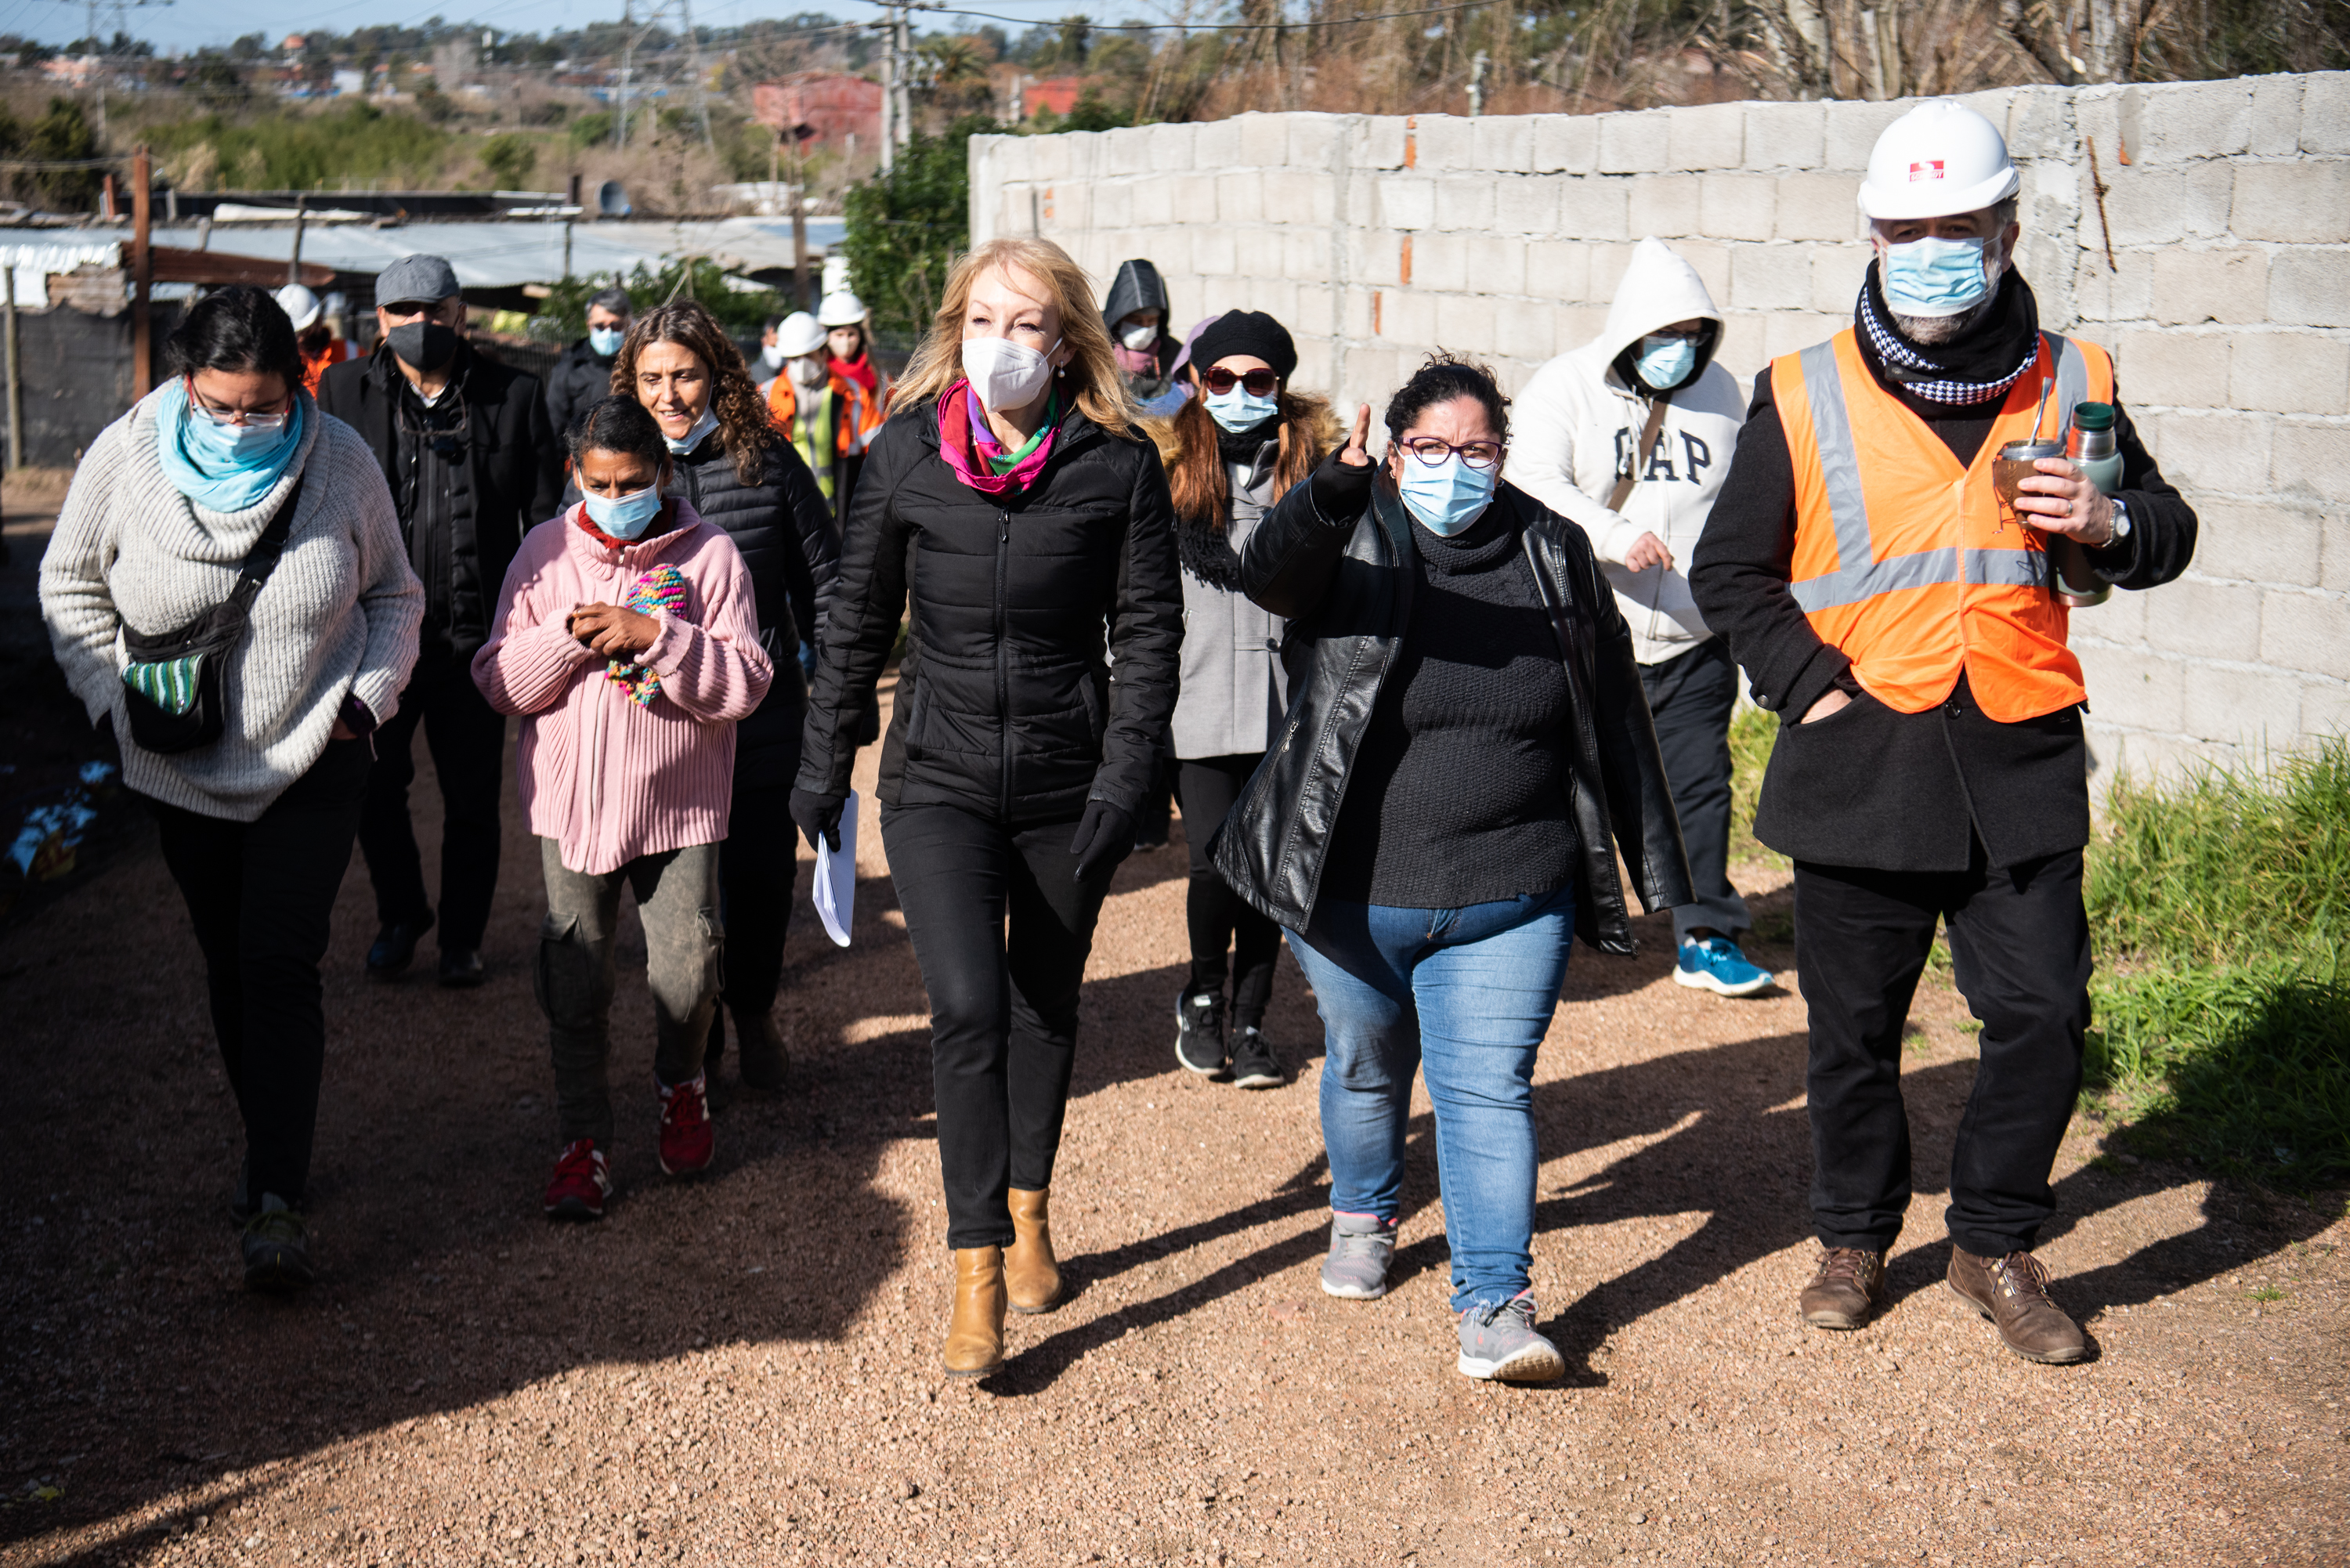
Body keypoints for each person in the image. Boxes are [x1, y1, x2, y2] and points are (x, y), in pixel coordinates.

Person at [1689, 99, 2197, 1364]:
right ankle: (1854, 1237)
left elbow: (2168, 533)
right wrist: (1807, 684)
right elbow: (1730, 570)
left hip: (2018, 756)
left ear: (2008, 230)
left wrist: (2110, 519)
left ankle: (1993, 1243)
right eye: (1904, 226)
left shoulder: (2075, 380)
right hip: (1862, 757)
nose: (1929, 246)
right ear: (1871, 233)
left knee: (2043, 1013)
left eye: (1955, 226)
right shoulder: (1802, 389)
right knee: (1852, 1031)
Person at [1214, 354, 1690, 1384]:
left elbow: (1611, 709)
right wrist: (1334, 488)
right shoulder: (1356, 537)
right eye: (1429, 447)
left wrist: (1666, 869)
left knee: (1488, 1091)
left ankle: (1494, 1305)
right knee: (1365, 1062)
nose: (1454, 467)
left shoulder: (1553, 550)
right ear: (1394, 453)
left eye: (1477, 448)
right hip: (1347, 891)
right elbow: (1270, 579)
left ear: (1503, 454)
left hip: (1510, 891)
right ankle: (1364, 1210)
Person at [791, 237, 1182, 1379]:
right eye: (982, 322)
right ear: (954, 330)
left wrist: (1126, 776)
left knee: (1044, 1003)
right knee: (967, 1005)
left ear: (1069, 344)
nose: (1002, 346)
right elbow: (857, 618)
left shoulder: (1118, 464)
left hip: (1069, 782)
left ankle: (1033, 1202)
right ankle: (977, 1265)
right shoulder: (904, 451)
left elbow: (1150, 634)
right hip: (938, 778)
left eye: (1027, 326)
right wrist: (825, 763)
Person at [40, 284, 422, 1291]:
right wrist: (109, 704)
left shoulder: (340, 461)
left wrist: (368, 701)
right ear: (185, 381)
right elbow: (69, 583)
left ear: (298, 385)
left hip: (314, 759)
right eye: (223, 406)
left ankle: (278, 1197)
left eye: (266, 404)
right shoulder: (124, 455)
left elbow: (394, 594)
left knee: (279, 962)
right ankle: (270, 1148)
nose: (246, 424)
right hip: (178, 765)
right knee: (226, 961)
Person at [473, 395, 773, 1219]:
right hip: (572, 806)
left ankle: (682, 1081)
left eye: (632, 481)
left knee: (686, 969)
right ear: (577, 473)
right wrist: (570, 636)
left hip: (679, 807)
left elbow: (747, 681)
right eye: (599, 481)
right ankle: (584, 1139)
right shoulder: (544, 552)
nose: (615, 496)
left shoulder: (710, 556)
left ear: (664, 474)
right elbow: (497, 680)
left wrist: (656, 637)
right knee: (575, 974)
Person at [1510, 237, 1773, 999]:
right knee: (1557, 782)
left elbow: (1752, 496)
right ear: (1629, 333)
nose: (1678, 352)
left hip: (1693, 633)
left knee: (1699, 783)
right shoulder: (1564, 389)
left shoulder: (1724, 394)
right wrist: (1614, 536)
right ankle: (1538, 928)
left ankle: (1705, 934)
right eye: (1663, 338)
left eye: (1692, 338)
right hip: (1584, 628)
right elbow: (1529, 482)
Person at [598, 300, 837, 1092]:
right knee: (684, 910)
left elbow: (827, 586)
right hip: (661, 734)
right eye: (652, 377)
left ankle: (755, 1009)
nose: (669, 393)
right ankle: (694, 1039)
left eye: (687, 374)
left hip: (761, 723)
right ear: (629, 383)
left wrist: (839, 702)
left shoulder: (766, 462)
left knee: (762, 891)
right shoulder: (613, 479)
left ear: (719, 377)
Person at [320, 254, 563, 988]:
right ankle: (401, 917)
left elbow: (546, 513)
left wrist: (528, 622)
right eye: (404, 312)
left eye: (435, 310)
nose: (420, 325)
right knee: (374, 786)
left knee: (471, 800)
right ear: (380, 320)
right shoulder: (342, 392)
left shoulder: (514, 395)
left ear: (459, 313)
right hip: (375, 639)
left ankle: (463, 938)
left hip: (472, 637)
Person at [1148, 309, 1335, 1089]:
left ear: (1281, 386)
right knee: (1212, 862)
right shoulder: (1164, 472)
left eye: (1257, 379)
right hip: (1193, 706)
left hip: (1284, 705)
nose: (1238, 392)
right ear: (1197, 380)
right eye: (1222, 377)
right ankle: (1201, 992)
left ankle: (1253, 1019)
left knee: (1266, 870)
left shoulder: (1312, 474)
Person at [544, 285, 633, 437]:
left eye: (616, 326)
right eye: (600, 326)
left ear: (627, 324)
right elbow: (554, 428)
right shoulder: (569, 369)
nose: (608, 332)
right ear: (589, 325)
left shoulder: (639, 364)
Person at [1103, 258, 1185, 414]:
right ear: (1119, 319)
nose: (1144, 327)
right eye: (1136, 321)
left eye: (1152, 321)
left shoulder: (1174, 353)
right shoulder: (1098, 352)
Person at [275, 284, 357, 392]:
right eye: (294, 334)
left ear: (319, 319)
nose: (299, 339)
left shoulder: (351, 353)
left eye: (304, 331)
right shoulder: (276, 363)